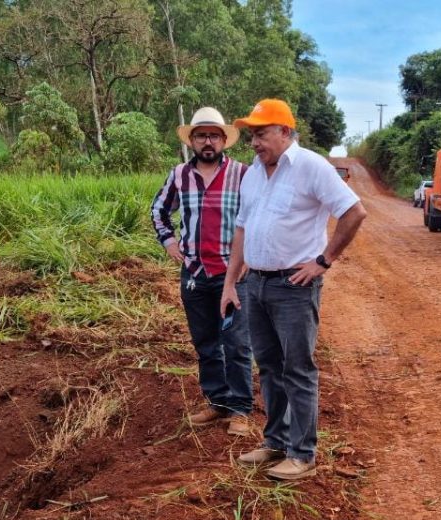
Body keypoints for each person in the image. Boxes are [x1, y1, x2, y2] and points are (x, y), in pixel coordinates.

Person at [220, 99, 367, 480]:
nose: (254, 142)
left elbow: (354, 211)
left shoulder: (311, 166)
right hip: (256, 284)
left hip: (293, 287)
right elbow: (242, 229)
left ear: (285, 132)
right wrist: (231, 282)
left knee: (297, 369)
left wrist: (324, 260)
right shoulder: (252, 173)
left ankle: (302, 454)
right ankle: (276, 443)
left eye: (262, 133)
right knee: (268, 366)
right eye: (252, 135)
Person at [151, 107, 253, 436]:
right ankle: (217, 402)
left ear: (224, 140)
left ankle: (240, 409)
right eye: (201, 136)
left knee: (236, 343)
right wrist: (168, 242)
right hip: (194, 273)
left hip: (233, 273)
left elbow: (260, 215)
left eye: (213, 135)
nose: (207, 141)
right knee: (206, 342)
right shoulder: (179, 175)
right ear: (192, 141)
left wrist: (250, 255)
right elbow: (158, 210)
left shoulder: (242, 173)